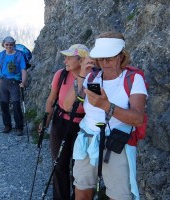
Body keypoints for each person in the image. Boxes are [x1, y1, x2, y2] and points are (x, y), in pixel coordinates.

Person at [66, 31, 147, 200]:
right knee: (81, 191)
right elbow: (73, 105)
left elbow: (138, 119)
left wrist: (106, 106)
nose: (104, 63)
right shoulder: (92, 76)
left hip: (116, 143)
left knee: (119, 196)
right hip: (87, 140)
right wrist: (82, 74)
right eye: (100, 58)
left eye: (109, 58)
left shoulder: (133, 78)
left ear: (121, 56)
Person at [40, 44, 89, 200]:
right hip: (60, 122)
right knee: (59, 165)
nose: (65, 60)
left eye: (69, 57)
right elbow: (51, 99)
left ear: (81, 60)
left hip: (82, 126)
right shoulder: (60, 75)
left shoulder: (91, 78)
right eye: (65, 56)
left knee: (78, 168)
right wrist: (46, 120)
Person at [0, 36, 27, 136]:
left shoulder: (19, 55)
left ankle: (19, 127)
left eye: (11, 44)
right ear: (4, 45)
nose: (9, 46)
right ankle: (7, 125)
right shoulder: (0, 55)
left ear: (14, 44)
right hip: (3, 82)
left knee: (16, 105)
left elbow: (23, 69)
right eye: (7, 44)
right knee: (3, 105)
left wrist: (23, 82)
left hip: (14, 82)